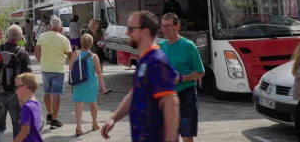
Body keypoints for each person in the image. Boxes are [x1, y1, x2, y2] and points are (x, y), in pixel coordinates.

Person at [101, 11, 179, 142]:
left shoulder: (157, 61)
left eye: (131, 29)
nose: (127, 33)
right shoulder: (144, 59)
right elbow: (134, 94)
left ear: (145, 32)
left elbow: (171, 103)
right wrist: (113, 118)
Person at [158, 13, 205, 142]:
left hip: (187, 95)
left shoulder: (189, 46)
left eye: (168, 26)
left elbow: (200, 72)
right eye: (163, 26)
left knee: (187, 136)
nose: (165, 29)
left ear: (177, 26)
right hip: (167, 96)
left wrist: (182, 78)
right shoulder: (160, 47)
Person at [34, 16, 72, 129]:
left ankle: (50, 114)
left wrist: (42, 61)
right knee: (56, 95)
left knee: (47, 92)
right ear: (60, 27)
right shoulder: (64, 39)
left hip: (45, 68)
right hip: (58, 70)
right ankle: (54, 120)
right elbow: (70, 55)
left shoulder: (42, 36)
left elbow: (36, 52)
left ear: (50, 26)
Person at [70, 34, 105, 136]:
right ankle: (94, 123)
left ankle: (78, 127)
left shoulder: (76, 54)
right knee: (93, 104)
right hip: (91, 83)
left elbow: (70, 67)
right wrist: (102, 85)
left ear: (81, 43)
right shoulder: (94, 56)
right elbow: (98, 72)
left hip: (78, 82)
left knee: (79, 104)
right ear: (91, 44)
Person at [13, 73, 43, 142]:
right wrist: (20, 98)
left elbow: (25, 131)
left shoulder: (26, 107)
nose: (15, 90)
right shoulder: (36, 104)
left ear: (25, 87)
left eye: (17, 87)